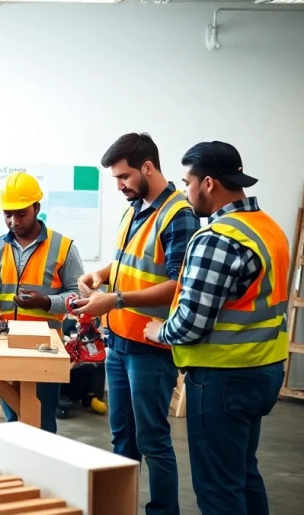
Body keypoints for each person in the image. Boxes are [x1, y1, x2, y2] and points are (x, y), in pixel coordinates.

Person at [143, 141, 288, 515]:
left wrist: (159, 331)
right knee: (243, 474)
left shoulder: (217, 238)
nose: (185, 192)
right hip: (265, 369)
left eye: (186, 182)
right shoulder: (268, 227)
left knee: (217, 490)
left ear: (208, 183)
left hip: (223, 377)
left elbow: (191, 323)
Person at [72, 133, 198, 515]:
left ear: (147, 167)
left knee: (153, 441)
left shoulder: (178, 214)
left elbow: (178, 284)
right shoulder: (134, 209)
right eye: (115, 178)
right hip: (120, 343)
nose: (119, 185)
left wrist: (115, 299)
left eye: (123, 176)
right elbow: (128, 262)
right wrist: (100, 275)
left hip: (150, 348)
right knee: (122, 439)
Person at [0, 172, 83, 433]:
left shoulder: (63, 247)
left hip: (45, 349)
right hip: (4, 344)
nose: (13, 222)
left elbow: (79, 296)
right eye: (7, 214)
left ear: (37, 208)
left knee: (42, 423)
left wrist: (46, 302)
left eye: (21, 214)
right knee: (12, 420)